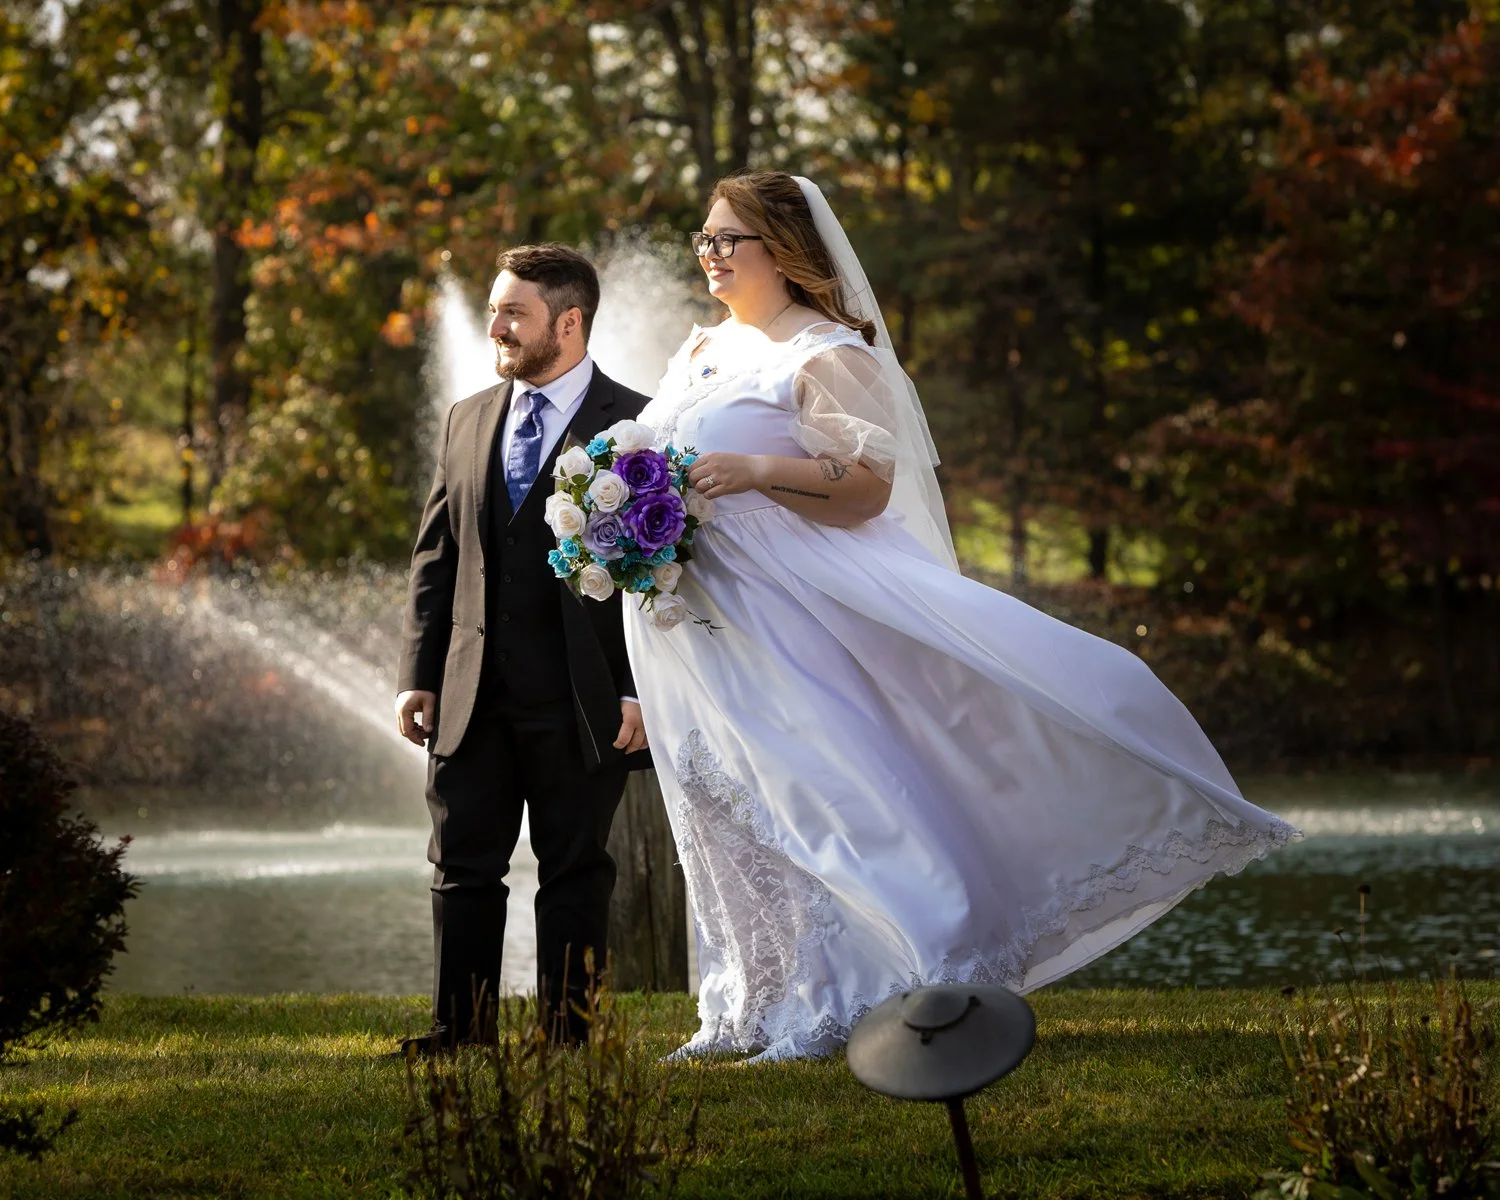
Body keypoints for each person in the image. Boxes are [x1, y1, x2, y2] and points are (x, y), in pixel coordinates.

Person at [622, 172, 1299, 1063]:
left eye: (728, 240)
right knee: (722, 803)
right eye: (704, 239)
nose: (710, 255)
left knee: (816, 793)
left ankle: (854, 994)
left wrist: (756, 471)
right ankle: (744, 1006)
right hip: (700, 624)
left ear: (783, 251)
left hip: (792, 610)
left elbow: (866, 490)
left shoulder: (826, 353)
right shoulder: (700, 349)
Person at [395, 244, 651, 1054]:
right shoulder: (467, 417)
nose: (495, 326)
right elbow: (437, 557)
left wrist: (642, 692)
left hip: (583, 699)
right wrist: (419, 675)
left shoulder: (637, 423)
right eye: (495, 307)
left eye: (514, 312)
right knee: (462, 865)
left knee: (574, 871)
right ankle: (458, 1032)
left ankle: (568, 1037)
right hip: (471, 692)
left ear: (568, 323)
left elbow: (660, 577)